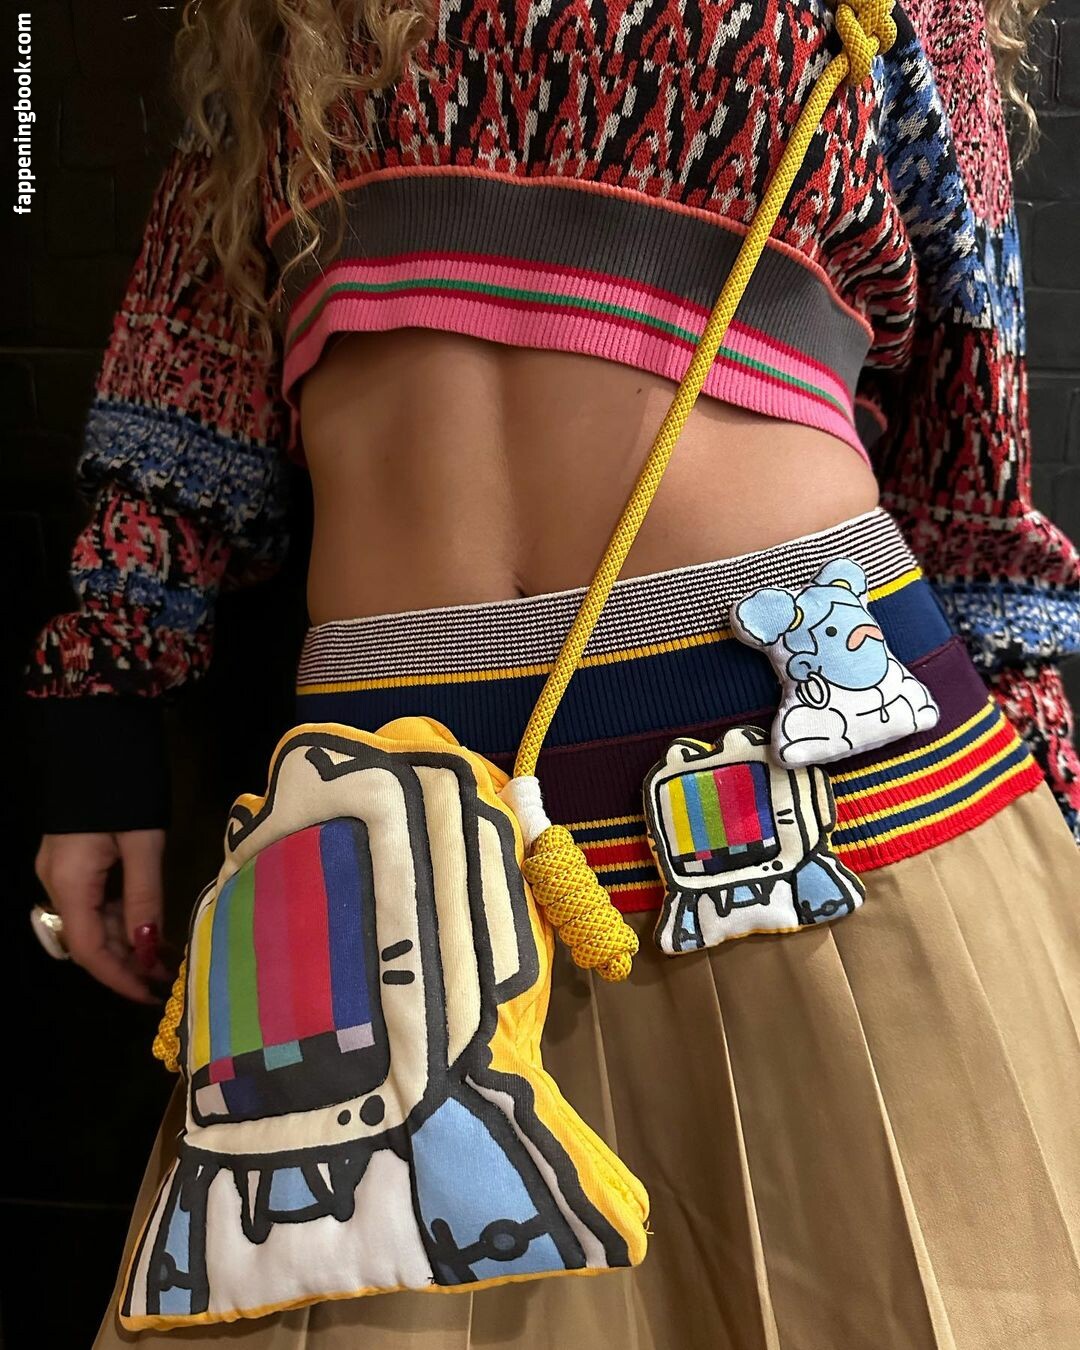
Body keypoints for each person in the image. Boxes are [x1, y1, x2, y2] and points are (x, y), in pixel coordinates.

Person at [23, 0, 1080, 1344]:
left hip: (826, 773)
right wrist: (104, 708)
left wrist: (1045, 776)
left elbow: (974, 426)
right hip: (381, 810)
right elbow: (195, 341)